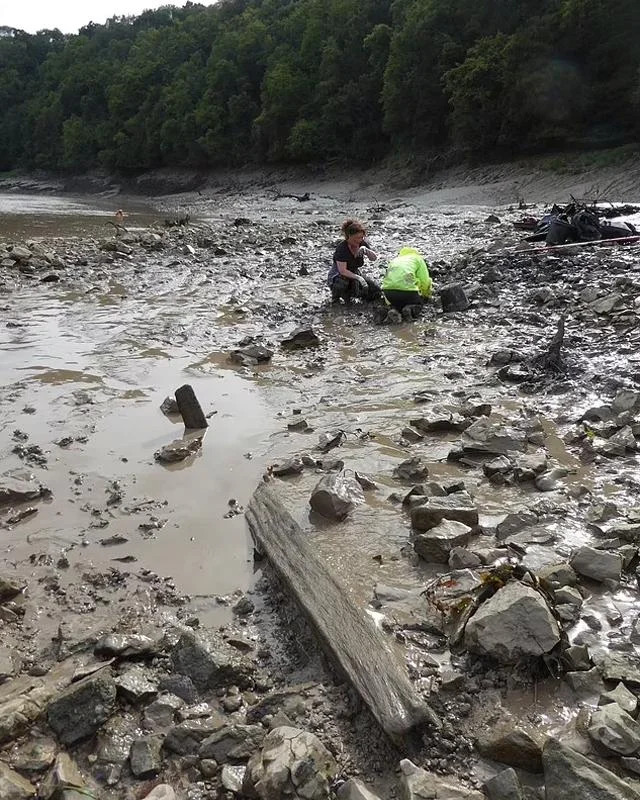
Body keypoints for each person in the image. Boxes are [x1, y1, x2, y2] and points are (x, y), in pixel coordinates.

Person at [327, 220, 381, 304]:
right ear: (349, 236)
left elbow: (374, 258)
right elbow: (343, 270)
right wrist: (359, 278)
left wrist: (366, 250)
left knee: (376, 291)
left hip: (355, 272)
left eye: (361, 238)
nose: (359, 240)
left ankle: (359, 297)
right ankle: (336, 298)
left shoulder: (362, 243)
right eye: (356, 238)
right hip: (339, 275)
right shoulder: (342, 248)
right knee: (342, 282)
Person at [381, 247, 433, 319]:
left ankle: (394, 310)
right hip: (408, 293)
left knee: (398, 304)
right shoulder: (418, 259)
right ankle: (409, 309)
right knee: (418, 303)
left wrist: (388, 302)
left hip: (389, 293)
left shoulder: (395, 260)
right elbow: (425, 281)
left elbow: (386, 278)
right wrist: (426, 296)